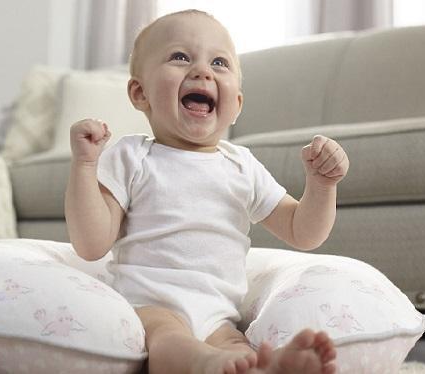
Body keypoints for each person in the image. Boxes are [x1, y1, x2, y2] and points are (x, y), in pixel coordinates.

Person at [65, 9, 348, 374]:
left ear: (237, 106)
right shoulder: (132, 156)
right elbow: (91, 244)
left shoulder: (242, 166)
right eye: (180, 57)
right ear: (140, 92)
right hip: (150, 306)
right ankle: (209, 365)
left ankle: (262, 366)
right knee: (168, 341)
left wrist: (322, 186)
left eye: (219, 62)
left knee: (235, 345)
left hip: (219, 315)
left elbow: (303, 232)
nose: (202, 71)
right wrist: (85, 166)